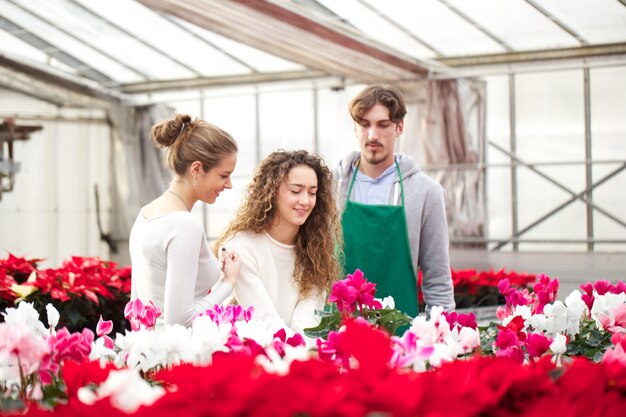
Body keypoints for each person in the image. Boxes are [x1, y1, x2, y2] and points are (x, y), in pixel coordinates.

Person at [334, 84, 455, 318]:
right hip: (338, 332)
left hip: (401, 335)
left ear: (399, 127)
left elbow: (438, 280)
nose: (372, 135)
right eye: (365, 124)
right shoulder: (330, 186)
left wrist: (439, 337)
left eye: (383, 125)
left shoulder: (426, 192)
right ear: (355, 128)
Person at [129, 114, 241, 328]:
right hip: (179, 353)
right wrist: (228, 283)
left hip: (146, 351)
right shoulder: (184, 225)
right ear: (196, 169)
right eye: (224, 175)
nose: (229, 185)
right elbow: (179, 322)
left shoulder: (145, 215)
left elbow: (137, 305)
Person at [214, 150, 342, 334]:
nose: (305, 201)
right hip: (247, 351)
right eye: (295, 191)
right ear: (272, 192)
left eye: (312, 193)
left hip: (293, 354)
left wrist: (306, 352)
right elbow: (264, 319)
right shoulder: (240, 247)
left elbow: (307, 320)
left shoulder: (315, 250)